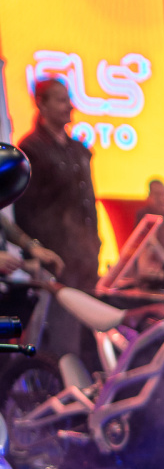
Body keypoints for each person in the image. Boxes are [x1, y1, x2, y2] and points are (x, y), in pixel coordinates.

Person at [13, 78, 102, 361]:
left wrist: (95, 243)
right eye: (61, 100)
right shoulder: (31, 149)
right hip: (57, 261)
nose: (69, 106)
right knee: (62, 342)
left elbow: (88, 203)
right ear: (41, 104)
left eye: (69, 99)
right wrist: (38, 251)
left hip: (85, 259)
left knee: (90, 339)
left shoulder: (77, 149)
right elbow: (26, 210)